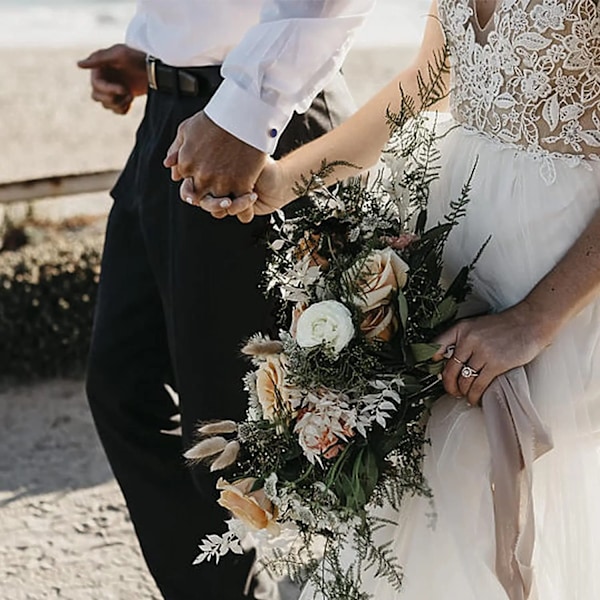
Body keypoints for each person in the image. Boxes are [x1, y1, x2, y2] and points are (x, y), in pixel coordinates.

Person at [198, 0, 600, 597]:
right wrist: (288, 179)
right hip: (455, 255)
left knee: (544, 497)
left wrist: (535, 319)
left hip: (563, 282)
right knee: (427, 512)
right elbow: (426, 81)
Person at [77, 2, 376, 599]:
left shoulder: (251, 106)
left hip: (253, 117)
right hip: (173, 113)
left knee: (256, 426)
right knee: (123, 386)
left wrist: (249, 109)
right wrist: (155, 49)